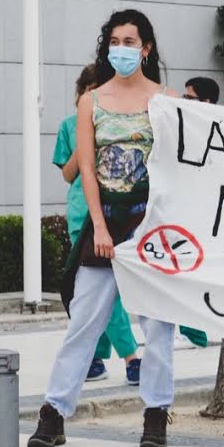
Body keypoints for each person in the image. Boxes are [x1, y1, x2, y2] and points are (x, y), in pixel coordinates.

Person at [29, 9, 180, 447]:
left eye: (130, 41)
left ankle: (156, 415)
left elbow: (177, 169)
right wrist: (98, 224)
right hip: (105, 226)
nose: (122, 49)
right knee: (84, 323)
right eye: (115, 41)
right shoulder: (91, 101)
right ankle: (54, 413)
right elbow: (86, 171)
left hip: (151, 227)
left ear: (146, 48)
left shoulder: (168, 100)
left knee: (158, 327)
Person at [54, 65, 142, 386]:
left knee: (105, 288)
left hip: (118, 214)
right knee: (95, 286)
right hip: (83, 215)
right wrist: (85, 135)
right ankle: (127, 357)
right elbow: (67, 173)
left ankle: (97, 357)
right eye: (88, 91)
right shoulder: (68, 126)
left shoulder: (121, 122)